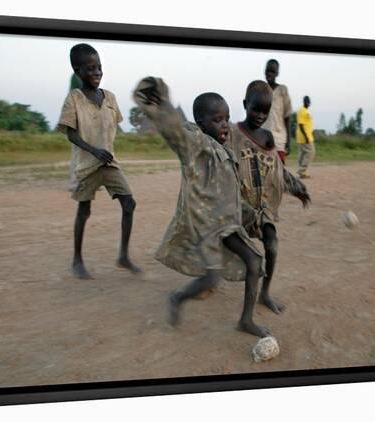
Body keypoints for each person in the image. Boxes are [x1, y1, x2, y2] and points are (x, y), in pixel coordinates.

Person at [133, 76, 272, 338]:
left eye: (227, 118)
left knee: (255, 261)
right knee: (211, 279)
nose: (224, 125)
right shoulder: (196, 146)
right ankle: (178, 297)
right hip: (208, 228)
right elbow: (175, 130)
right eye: (217, 120)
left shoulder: (226, 150)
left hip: (228, 224)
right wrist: (161, 105)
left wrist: (252, 214)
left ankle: (246, 320)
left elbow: (229, 192)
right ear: (201, 124)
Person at [58, 43, 141, 279]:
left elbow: (113, 125)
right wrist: (94, 150)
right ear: (78, 71)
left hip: (110, 163)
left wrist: (105, 148)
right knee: (84, 210)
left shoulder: (110, 97)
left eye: (99, 68)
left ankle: (123, 256)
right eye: (90, 68)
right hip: (88, 165)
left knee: (129, 204)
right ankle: (77, 260)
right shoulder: (74, 98)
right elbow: (71, 133)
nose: (97, 73)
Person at [230, 80, 310, 315]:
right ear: (245, 104)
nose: (260, 115)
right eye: (256, 109)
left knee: (272, 246)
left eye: (265, 111)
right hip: (236, 205)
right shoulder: (232, 134)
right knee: (220, 245)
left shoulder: (267, 138)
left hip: (261, 206)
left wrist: (297, 188)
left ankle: (265, 292)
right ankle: (207, 279)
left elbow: (277, 171)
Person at [262, 59, 293, 164]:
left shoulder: (282, 90)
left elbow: (287, 117)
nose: (269, 74)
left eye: (273, 71)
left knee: (279, 173)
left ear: (277, 73)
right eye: (268, 71)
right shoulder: (260, 89)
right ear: (264, 71)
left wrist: (288, 141)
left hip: (279, 139)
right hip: (262, 137)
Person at [296, 96, 315, 178]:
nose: (308, 103)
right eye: (307, 101)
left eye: (309, 101)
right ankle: (302, 171)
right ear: (304, 102)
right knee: (311, 152)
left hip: (305, 136)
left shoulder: (305, 110)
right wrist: (306, 136)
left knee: (303, 153)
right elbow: (301, 125)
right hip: (305, 136)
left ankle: (301, 172)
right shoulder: (302, 111)